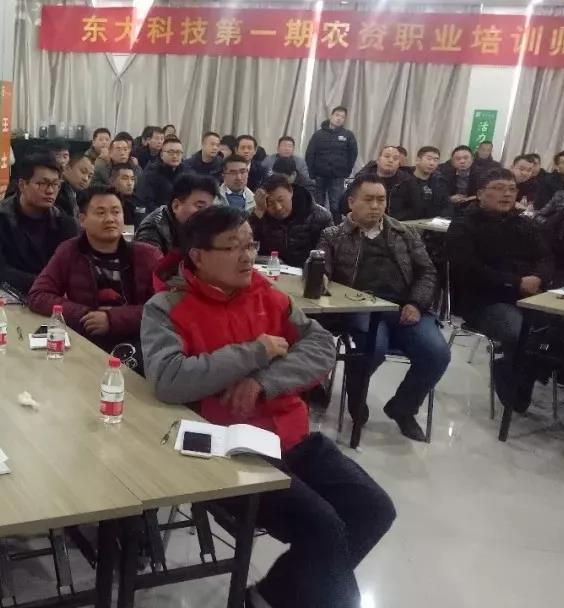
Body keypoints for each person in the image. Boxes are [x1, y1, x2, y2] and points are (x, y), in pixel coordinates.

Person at [141, 206, 394, 608]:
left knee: (374, 509)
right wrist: (254, 351)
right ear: (198, 256)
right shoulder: (167, 307)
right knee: (323, 528)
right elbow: (169, 379)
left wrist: (264, 382)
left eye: (250, 244)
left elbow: (321, 346)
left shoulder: (268, 295)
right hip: (226, 450)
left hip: (291, 436)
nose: (247, 256)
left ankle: (267, 597)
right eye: (233, 247)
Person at [317, 176, 450, 441]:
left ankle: (403, 408)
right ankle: (356, 393)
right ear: (352, 202)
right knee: (372, 350)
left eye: (381, 200)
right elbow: (322, 270)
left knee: (437, 354)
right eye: (368, 200)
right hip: (360, 308)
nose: (376, 206)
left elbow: (427, 272)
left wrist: (416, 303)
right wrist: (320, 278)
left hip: (404, 307)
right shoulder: (333, 235)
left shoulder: (404, 233)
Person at [447, 168, 555, 412]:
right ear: (480, 194)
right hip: (484, 301)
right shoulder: (464, 225)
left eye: (512, 189)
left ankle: (527, 373)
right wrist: (516, 282)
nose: (507, 194)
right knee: (521, 333)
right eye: (498, 188)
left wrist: (538, 277)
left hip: (529, 296)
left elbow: (546, 257)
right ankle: (511, 377)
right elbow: (468, 270)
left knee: (555, 334)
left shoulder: (523, 223)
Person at [28, 186, 162, 359]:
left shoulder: (148, 256)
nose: (110, 219)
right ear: (82, 220)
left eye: (116, 212)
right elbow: (38, 295)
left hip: (139, 343)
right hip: (86, 343)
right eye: (100, 213)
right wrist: (84, 314)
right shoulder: (70, 251)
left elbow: (163, 309)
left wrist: (112, 319)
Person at [0, 153, 79, 295]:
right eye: (42, 184)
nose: (50, 191)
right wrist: (45, 284)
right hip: (8, 298)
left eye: (55, 184)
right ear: (22, 185)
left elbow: (73, 271)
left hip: (53, 299)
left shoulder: (65, 224)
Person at [249, 174, 331, 267]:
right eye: (270, 203)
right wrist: (257, 214)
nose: (278, 207)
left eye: (281, 200)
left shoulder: (319, 217)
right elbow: (248, 245)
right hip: (270, 270)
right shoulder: (261, 216)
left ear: (291, 192)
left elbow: (324, 257)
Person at [135, 173, 217, 253]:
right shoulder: (152, 229)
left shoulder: (204, 229)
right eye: (200, 206)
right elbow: (151, 261)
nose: (207, 214)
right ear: (176, 206)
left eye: (209, 208)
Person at [306, 106, 358, 218]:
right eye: (337, 115)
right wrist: (311, 173)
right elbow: (310, 154)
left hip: (337, 176)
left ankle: (337, 226)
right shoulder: (318, 135)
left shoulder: (348, 135)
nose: (339, 118)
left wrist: (347, 171)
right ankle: (318, 226)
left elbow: (353, 154)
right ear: (331, 116)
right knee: (318, 205)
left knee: (336, 206)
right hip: (319, 175)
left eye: (342, 117)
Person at [352, 146, 425, 220]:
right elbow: (348, 205)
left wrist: (390, 220)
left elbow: (417, 209)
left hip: (397, 223)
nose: (390, 160)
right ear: (378, 160)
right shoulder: (362, 179)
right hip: (365, 221)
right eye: (387, 156)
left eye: (395, 158)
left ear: (399, 164)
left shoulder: (408, 181)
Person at [135, 135, 186, 213]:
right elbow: (146, 204)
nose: (175, 156)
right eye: (171, 152)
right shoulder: (150, 174)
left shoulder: (186, 172)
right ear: (162, 155)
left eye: (178, 152)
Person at [436, 145, 480, 211]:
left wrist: (469, 199)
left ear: (472, 159)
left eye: (466, 158)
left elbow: (485, 194)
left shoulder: (482, 173)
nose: (462, 161)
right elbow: (439, 194)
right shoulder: (444, 173)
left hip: (473, 207)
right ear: (452, 161)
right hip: (450, 207)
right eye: (458, 159)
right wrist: (449, 199)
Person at [411, 146, 451, 218]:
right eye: (429, 159)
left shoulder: (440, 183)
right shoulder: (404, 182)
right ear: (418, 160)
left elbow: (447, 207)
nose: (432, 163)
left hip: (434, 222)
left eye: (436, 160)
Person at [58, 151, 96, 217]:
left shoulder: (82, 197)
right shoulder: (57, 193)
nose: (86, 179)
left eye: (90, 176)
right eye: (83, 172)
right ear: (66, 168)